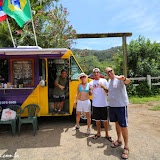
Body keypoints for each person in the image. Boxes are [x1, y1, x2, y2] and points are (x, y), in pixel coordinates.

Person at [106, 67, 131, 159]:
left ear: (113, 71)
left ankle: (126, 146)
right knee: (116, 123)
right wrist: (105, 90)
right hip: (112, 106)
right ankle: (119, 140)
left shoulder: (119, 78)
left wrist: (124, 79)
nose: (109, 73)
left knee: (123, 126)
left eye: (110, 71)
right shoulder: (109, 81)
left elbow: (128, 81)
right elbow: (110, 91)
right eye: (107, 72)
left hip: (121, 106)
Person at [89, 68, 113, 141]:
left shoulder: (104, 81)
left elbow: (107, 92)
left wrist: (104, 87)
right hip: (95, 104)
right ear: (93, 74)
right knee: (97, 120)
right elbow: (90, 94)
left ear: (99, 73)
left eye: (97, 72)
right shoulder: (91, 83)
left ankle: (107, 134)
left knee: (105, 121)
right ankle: (98, 133)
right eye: (94, 73)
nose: (96, 74)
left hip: (103, 104)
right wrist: (89, 90)